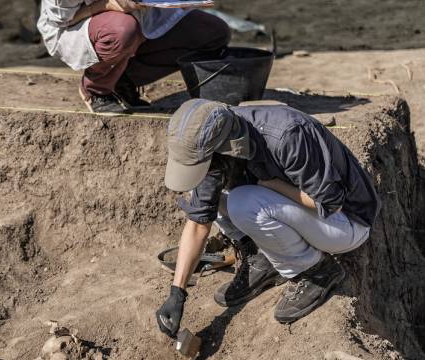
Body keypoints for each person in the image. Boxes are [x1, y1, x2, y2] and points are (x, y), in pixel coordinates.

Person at [154, 99, 381, 338]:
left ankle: (316, 271)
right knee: (209, 194)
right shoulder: (219, 143)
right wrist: (177, 293)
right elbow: (199, 222)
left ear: (220, 146)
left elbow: (331, 204)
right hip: (301, 213)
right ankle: (262, 259)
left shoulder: (287, 136)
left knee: (243, 203)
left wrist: (271, 185)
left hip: (347, 223)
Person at [37, 0, 230, 115]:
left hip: (142, 12)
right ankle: (96, 88)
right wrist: (108, 4)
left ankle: (122, 81)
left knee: (212, 33)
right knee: (123, 31)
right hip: (80, 23)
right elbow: (62, 18)